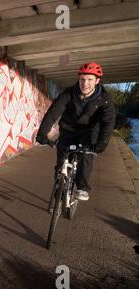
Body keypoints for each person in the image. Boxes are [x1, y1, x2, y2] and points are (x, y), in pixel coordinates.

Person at [35, 62, 116, 201]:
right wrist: (42, 133)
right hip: (68, 130)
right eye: (82, 79)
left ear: (97, 81)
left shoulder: (105, 99)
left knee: (85, 156)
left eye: (90, 80)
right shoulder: (68, 93)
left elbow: (108, 123)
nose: (85, 84)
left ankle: (82, 188)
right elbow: (53, 113)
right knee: (62, 161)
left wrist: (101, 143)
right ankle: (59, 185)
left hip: (89, 132)